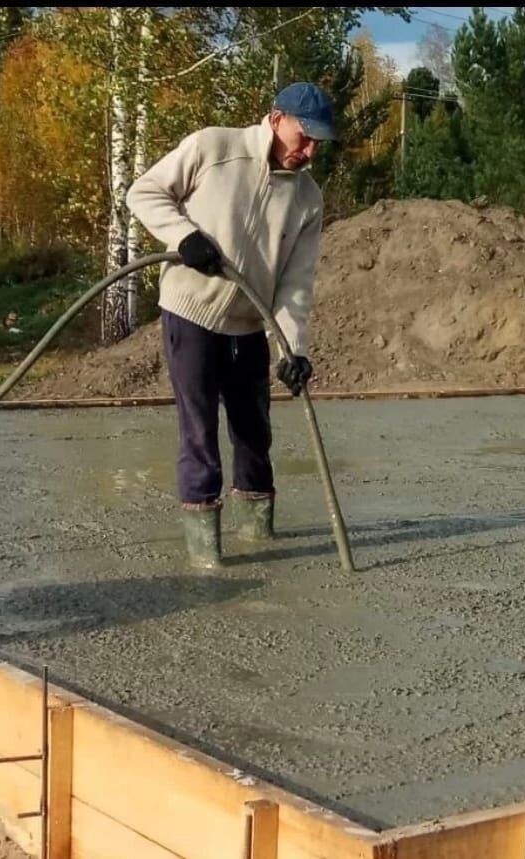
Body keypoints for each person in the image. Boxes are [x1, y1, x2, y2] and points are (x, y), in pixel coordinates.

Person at [126, 82, 336, 569]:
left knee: (254, 433)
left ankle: (258, 536)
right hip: (191, 313)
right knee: (200, 433)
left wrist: (293, 349)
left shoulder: (307, 198)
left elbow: (295, 282)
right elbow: (144, 192)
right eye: (304, 137)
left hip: (248, 324)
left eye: (318, 143)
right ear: (276, 119)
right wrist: (184, 237)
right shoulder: (213, 148)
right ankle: (207, 555)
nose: (309, 151)